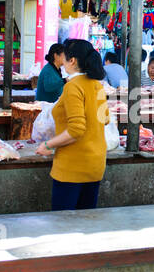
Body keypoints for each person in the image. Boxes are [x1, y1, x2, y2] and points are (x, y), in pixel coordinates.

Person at [38, 39, 109, 211]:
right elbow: (105, 119)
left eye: (64, 57)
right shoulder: (97, 85)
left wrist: (47, 144)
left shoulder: (72, 87)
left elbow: (76, 129)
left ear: (73, 61)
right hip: (95, 163)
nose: (61, 62)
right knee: (85, 224)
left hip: (73, 166)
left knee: (64, 226)